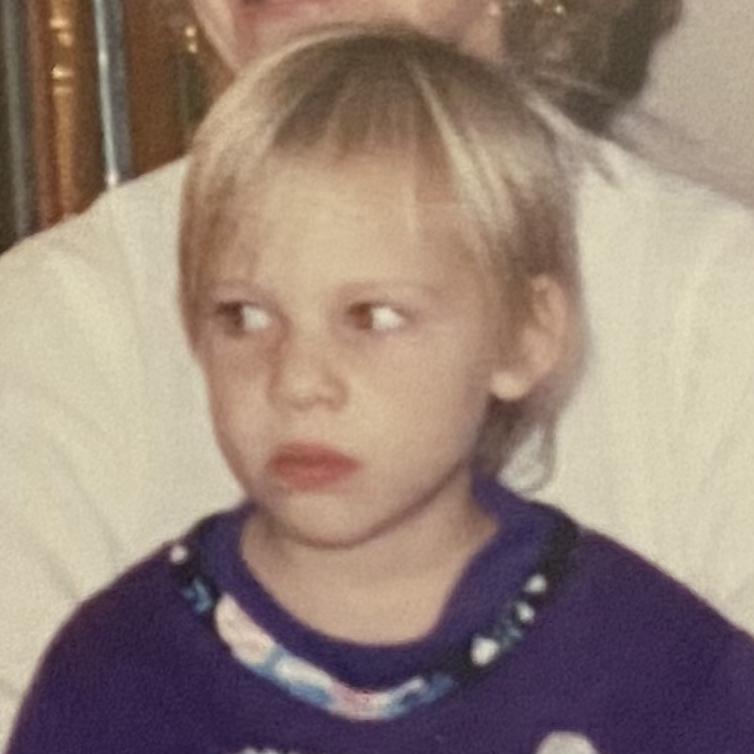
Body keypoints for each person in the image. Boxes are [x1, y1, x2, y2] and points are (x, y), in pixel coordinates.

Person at [2, 0, 754, 741]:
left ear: (531, 332)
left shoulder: (716, 302)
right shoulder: (52, 321)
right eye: (241, 316)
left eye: (374, 316)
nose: (299, 380)